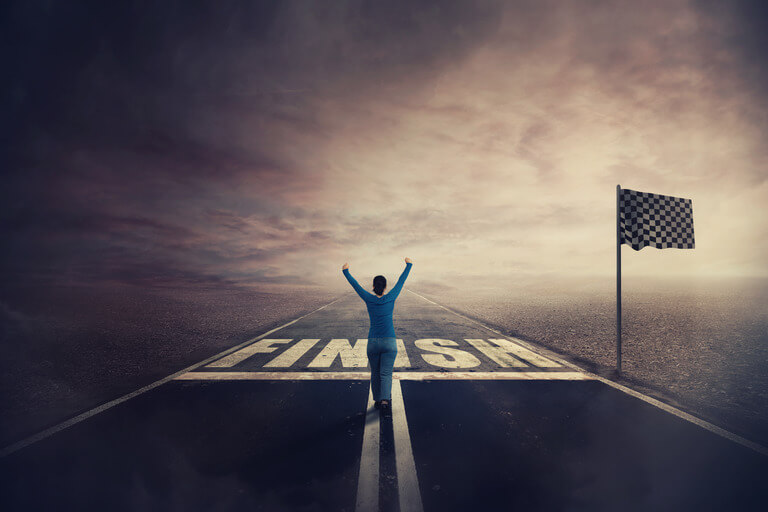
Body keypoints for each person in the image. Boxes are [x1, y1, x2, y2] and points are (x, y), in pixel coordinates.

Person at [342, 257, 413, 417]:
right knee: (386, 373)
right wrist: (409, 265)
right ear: (385, 287)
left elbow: (356, 286)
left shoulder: (368, 298)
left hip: (373, 342)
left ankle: (376, 400)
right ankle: (385, 401)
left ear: (373, 287)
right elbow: (401, 281)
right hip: (389, 342)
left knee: (375, 373)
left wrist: (346, 271)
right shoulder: (391, 297)